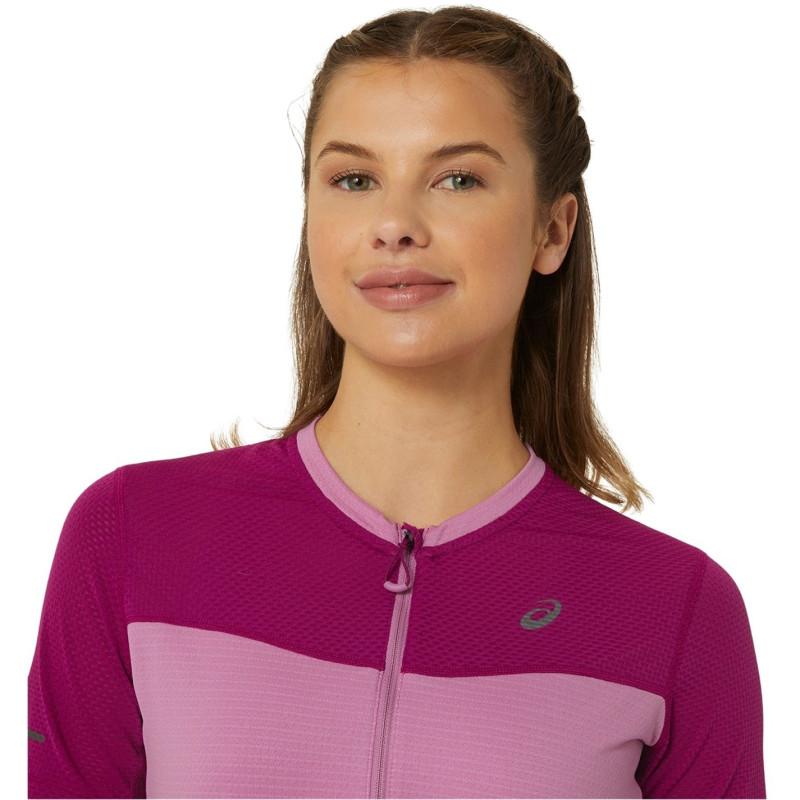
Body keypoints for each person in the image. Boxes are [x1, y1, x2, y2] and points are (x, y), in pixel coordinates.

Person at [28, 6, 764, 798]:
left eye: (458, 179)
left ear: (552, 230)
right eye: (354, 179)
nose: (394, 225)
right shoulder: (132, 540)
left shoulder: (675, 611)